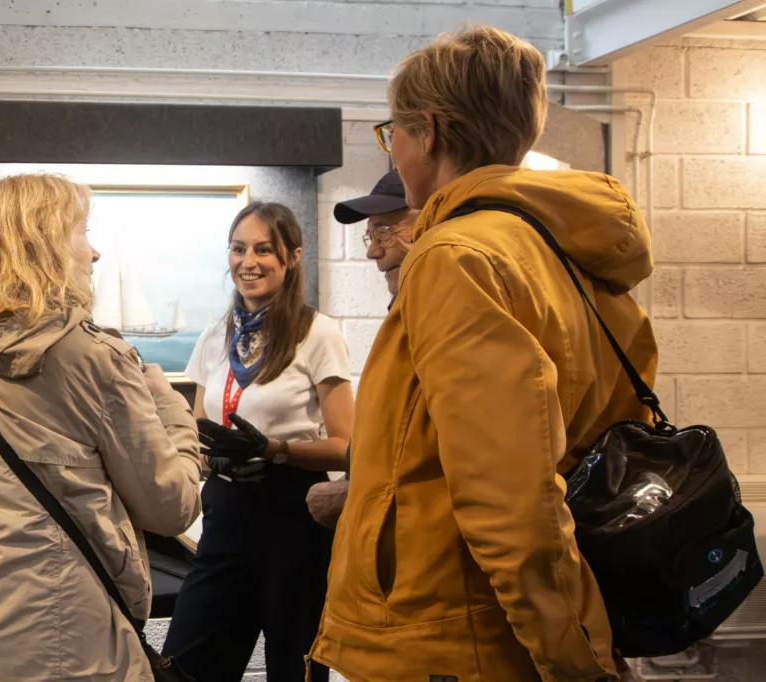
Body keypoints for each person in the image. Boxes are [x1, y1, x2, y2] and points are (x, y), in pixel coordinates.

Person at [309, 25, 658, 682]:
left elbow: (510, 493)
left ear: (430, 132)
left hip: (458, 633)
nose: (395, 151)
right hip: (520, 622)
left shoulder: (455, 257)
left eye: (394, 134)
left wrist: (575, 663)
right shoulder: (565, 253)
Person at [0, 174, 202, 682]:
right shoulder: (96, 359)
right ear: (45, 244)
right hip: (58, 640)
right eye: (81, 232)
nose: (93, 254)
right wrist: (169, 405)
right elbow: (171, 507)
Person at [162, 202, 354, 682]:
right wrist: (205, 455)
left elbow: (348, 445)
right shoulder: (215, 335)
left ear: (291, 257)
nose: (248, 261)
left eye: (263, 250)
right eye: (238, 248)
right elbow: (198, 425)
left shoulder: (318, 333)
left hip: (293, 512)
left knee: (294, 669)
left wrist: (275, 449)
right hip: (227, 509)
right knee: (186, 664)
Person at [305, 170, 418, 528]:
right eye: (370, 234)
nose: (372, 250)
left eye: (386, 230)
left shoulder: (453, 310)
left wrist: (355, 494)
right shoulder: (407, 311)